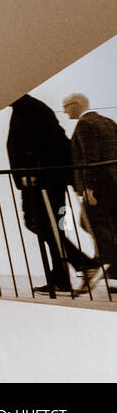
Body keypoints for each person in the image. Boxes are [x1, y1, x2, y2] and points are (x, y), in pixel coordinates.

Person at [6, 94, 95, 295]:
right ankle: (62, 279)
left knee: (37, 223)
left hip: (41, 180)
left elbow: (39, 144)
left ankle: (83, 264)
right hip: (49, 178)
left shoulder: (28, 109)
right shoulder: (31, 108)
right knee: (54, 228)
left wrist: (30, 173)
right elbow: (59, 140)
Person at [64, 93, 117, 292]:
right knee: (110, 227)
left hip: (99, 188)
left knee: (89, 223)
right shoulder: (108, 122)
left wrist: (88, 188)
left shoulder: (85, 125)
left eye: (66, 106)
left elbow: (89, 158)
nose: (65, 111)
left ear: (75, 105)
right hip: (114, 185)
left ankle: (104, 261)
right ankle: (113, 278)